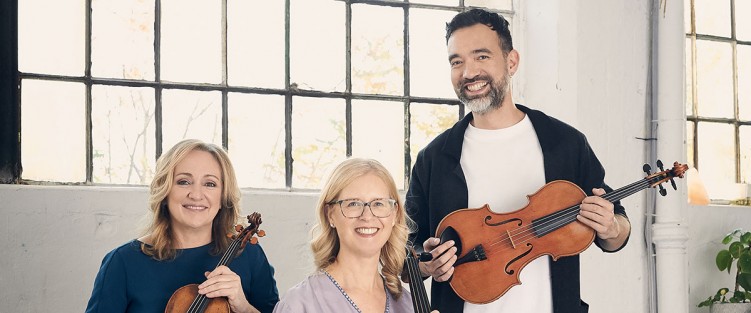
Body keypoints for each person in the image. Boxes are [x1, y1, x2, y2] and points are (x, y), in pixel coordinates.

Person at [406, 8, 632, 313]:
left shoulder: (565, 143)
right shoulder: (434, 158)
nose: (468, 72)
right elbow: (404, 259)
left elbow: (616, 232)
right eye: (456, 61)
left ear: (511, 61)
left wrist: (610, 227)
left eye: (481, 56)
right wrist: (426, 266)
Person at [85, 139, 279, 313]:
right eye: (184, 182)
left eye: (210, 184)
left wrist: (243, 307)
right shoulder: (123, 263)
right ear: (165, 191)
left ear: (223, 197)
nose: (196, 194)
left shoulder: (249, 255)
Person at [273, 158, 429, 313]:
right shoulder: (298, 305)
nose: (367, 216)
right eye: (353, 204)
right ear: (330, 214)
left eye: (379, 203)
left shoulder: (409, 305)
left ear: (395, 214)